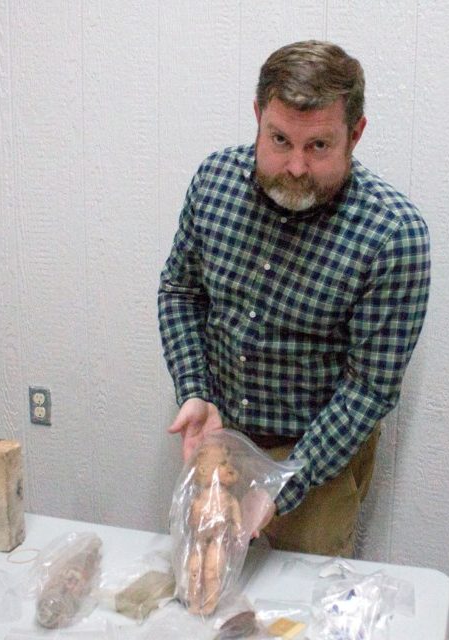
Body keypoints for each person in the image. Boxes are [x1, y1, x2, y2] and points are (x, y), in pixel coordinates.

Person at [158, 40, 430, 558]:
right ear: (258, 116)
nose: (296, 167)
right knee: (201, 601)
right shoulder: (214, 182)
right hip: (219, 441)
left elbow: (369, 389)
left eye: (319, 147)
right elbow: (180, 290)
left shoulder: (393, 235)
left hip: (316, 462)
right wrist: (194, 390)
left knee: (297, 617)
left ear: (356, 134)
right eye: (280, 140)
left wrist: (280, 486)